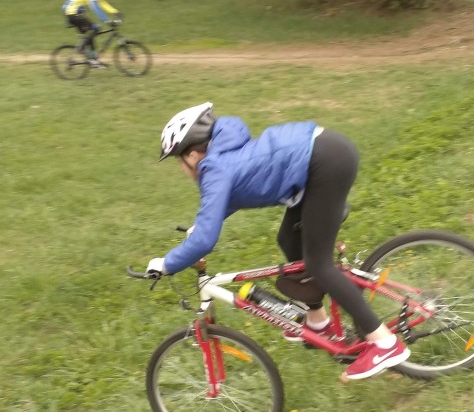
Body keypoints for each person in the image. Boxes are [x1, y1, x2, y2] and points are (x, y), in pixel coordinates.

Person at [145, 102, 411, 381]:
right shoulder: (223, 157)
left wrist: (167, 264)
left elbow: (205, 240)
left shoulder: (215, 167)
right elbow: (232, 195)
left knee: (318, 265)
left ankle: (384, 344)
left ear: (192, 154)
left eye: (179, 160)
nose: (182, 168)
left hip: (325, 163)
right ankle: (319, 322)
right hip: (319, 162)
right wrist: (199, 226)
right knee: (288, 239)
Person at [61, 0, 121, 68]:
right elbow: (95, 7)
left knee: (91, 33)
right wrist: (106, 20)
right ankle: (83, 51)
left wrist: (115, 12)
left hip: (76, 13)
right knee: (95, 28)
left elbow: (102, 3)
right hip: (71, 13)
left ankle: (93, 59)